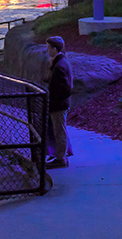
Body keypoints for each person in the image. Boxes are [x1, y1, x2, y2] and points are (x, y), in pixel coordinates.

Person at [45, 35, 74, 168]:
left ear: (54, 49)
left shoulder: (60, 66)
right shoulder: (60, 63)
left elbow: (65, 89)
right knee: (59, 130)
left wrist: (55, 100)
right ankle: (61, 155)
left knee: (59, 131)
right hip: (59, 104)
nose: (47, 50)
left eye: (48, 48)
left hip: (58, 105)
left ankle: (61, 159)